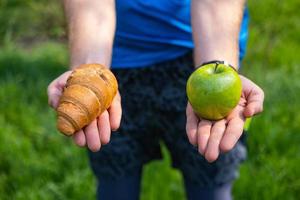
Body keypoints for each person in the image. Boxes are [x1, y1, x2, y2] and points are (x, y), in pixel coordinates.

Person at [47, 0, 264, 199]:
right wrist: (91, 75)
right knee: (115, 184)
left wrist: (218, 62)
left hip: (198, 62)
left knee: (211, 182)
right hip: (114, 66)